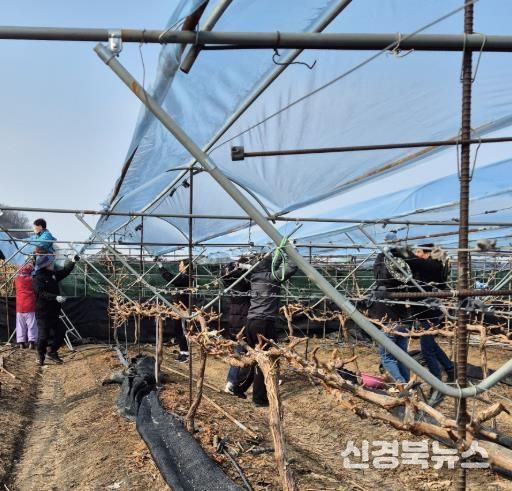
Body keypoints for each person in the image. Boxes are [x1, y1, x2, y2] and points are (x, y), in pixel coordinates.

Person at [231, 253, 297, 407]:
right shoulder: (271, 277)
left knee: (253, 357)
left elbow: (272, 264)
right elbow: (292, 266)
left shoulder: (255, 276)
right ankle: (259, 399)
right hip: (264, 324)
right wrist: (291, 251)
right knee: (265, 360)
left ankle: (238, 386)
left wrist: (279, 252)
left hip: (251, 322)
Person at [406, 244, 454, 383]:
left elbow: (414, 261)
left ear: (428, 253)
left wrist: (402, 252)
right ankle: (450, 368)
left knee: (427, 350)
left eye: (418, 251)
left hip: (429, 313)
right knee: (431, 345)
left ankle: (436, 381)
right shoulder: (429, 266)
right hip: (425, 311)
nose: (416, 254)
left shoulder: (432, 265)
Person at [369, 248, 412, 388]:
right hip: (403, 322)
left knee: (387, 357)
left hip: (389, 325)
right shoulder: (402, 283)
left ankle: (401, 383)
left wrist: (383, 254)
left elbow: (378, 270)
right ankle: (407, 382)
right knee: (402, 355)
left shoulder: (382, 287)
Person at [32, 254, 79, 366]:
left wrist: (72, 261)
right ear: (46, 265)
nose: (53, 264)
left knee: (61, 331)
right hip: (43, 313)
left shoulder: (52, 275)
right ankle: (40, 356)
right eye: (51, 263)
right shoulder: (37, 278)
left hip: (54, 312)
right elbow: (41, 293)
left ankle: (52, 351)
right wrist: (55, 297)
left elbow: (64, 272)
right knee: (43, 336)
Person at [222, 258, 251, 395]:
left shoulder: (231, 282)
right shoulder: (244, 283)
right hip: (243, 321)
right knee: (241, 352)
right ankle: (232, 382)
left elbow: (225, 276)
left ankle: (233, 381)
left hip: (234, 320)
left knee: (240, 352)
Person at [158, 259, 191, 363]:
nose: (179, 266)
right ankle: (183, 352)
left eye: (181, 265)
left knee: (183, 330)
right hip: (178, 307)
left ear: (186, 266)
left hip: (183, 308)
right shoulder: (183, 277)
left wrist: (161, 267)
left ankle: (186, 354)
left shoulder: (187, 277)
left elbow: (172, 279)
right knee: (178, 329)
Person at [14, 262, 38, 349]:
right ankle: (32, 341)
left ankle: (21, 342)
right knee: (31, 324)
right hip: (30, 305)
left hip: (20, 306)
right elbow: (36, 289)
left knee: (20, 325)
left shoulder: (16, 279)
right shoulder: (31, 279)